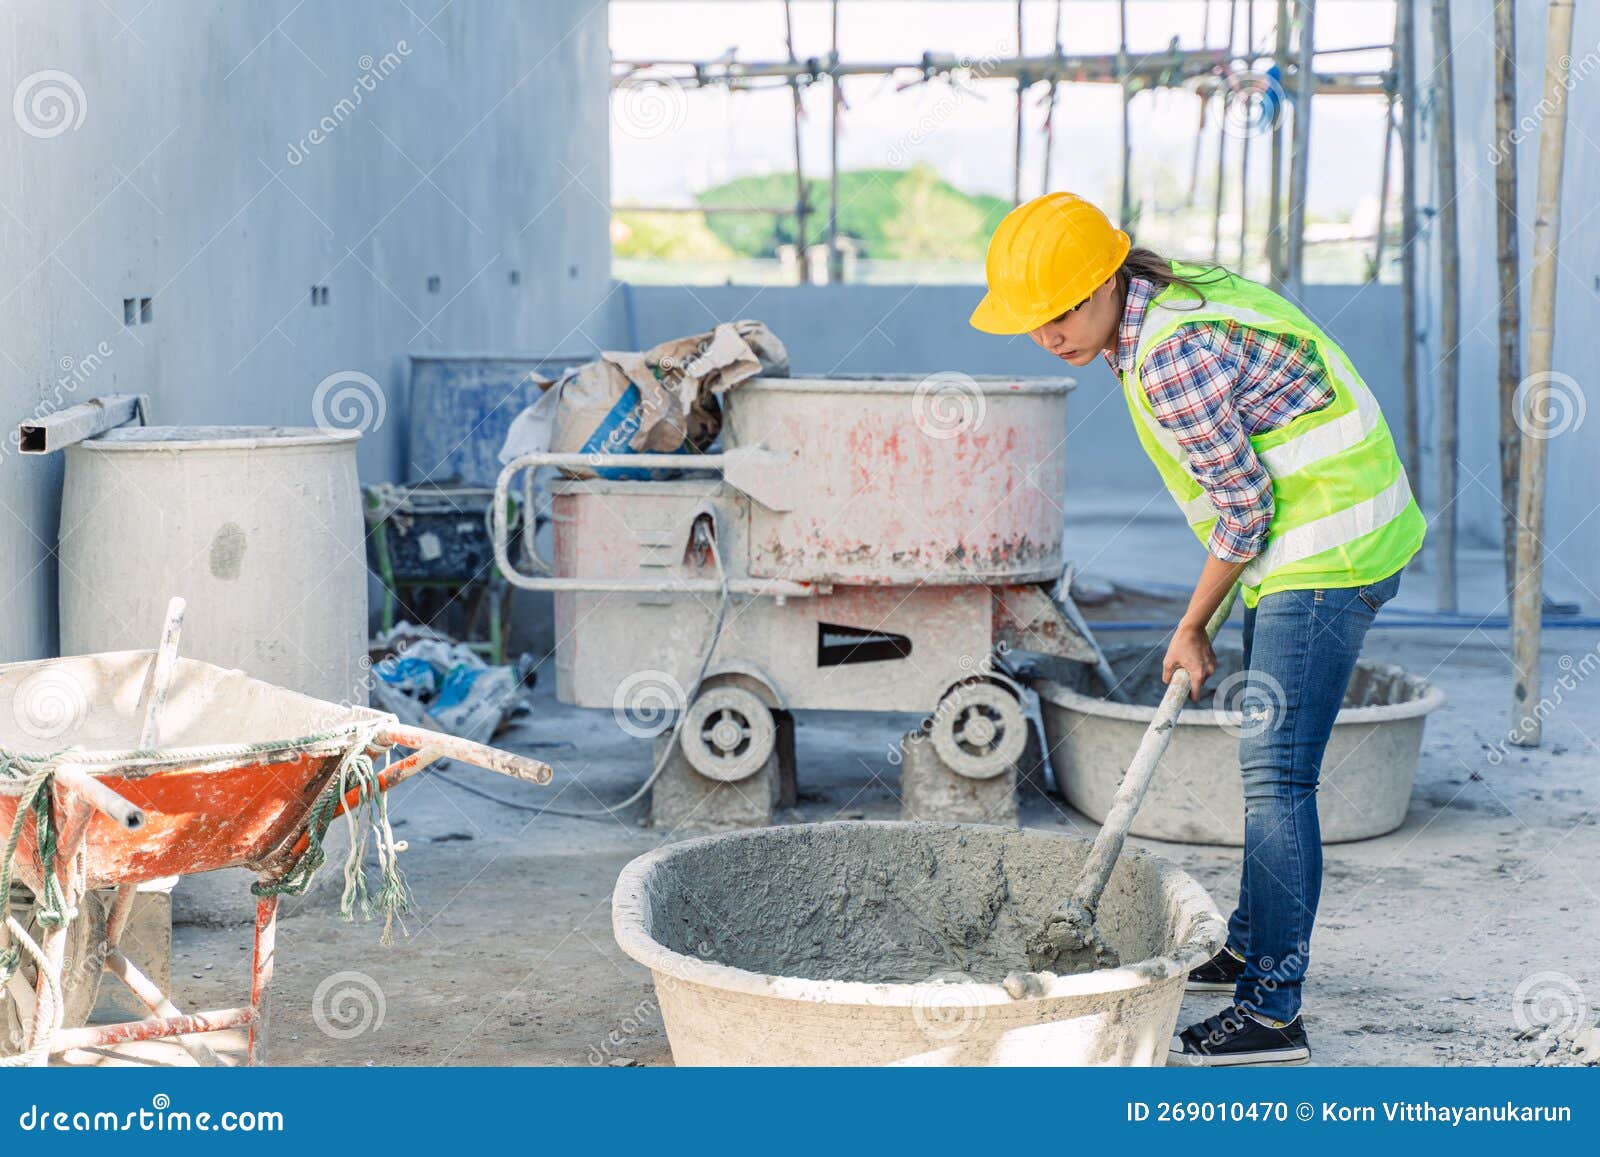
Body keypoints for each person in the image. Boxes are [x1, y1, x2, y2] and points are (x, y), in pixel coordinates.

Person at [971, 192, 1424, 1066]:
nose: (1051, 335)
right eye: (1034, 320)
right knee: (1273, 762)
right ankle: (1252, 944)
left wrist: (1191, 622)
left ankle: (1271, 1011)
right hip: (1319, 531)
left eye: (1063, 309)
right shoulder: (1165, 301)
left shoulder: (1168, 355)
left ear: (1108, 278)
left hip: (1328, 545)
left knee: (1278, 778)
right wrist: (1215, 609)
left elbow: (1243, 508)